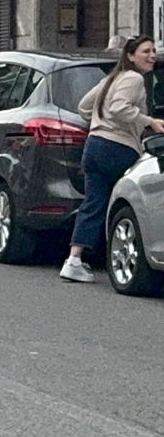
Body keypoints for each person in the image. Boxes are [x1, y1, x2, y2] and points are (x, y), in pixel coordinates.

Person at [61, 35, 164, 283]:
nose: (152, 56)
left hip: (94, 146)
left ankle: (74, 260)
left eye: (153, 51)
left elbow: (85, 106)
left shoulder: (112, 78)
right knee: (132, 202)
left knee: (93, 204)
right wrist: (149, 122)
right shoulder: (135, 78)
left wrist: (101, 122)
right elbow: (120, 108)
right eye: (146, 51)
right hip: (118, 147)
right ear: (130, 55)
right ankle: (128, 254)